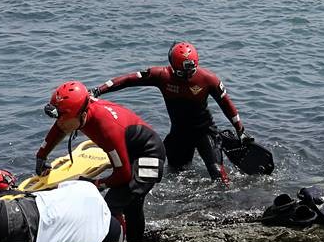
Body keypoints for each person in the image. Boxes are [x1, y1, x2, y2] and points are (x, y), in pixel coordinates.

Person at [92, 42, 247, 184]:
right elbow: (128, 80)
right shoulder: (161, 76)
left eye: (191, 72)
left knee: (218, 176)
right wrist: (98, 90)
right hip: (179, 135)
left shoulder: (208, 79)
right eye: (182, 74)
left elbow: (226, 104)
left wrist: (240, 130)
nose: (187, 77)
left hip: (205, 133)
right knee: (175, 176)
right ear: (172, 66)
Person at [35, 81, 165, 242]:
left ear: (82, 114)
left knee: (111, 205)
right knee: (131, 204)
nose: (59, 122)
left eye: (63, 118)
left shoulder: (106, 129)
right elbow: (59, 129)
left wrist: (95, 183)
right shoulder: (78, 113)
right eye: (58, 118)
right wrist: (41, 156)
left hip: (150, 155)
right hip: (130, 151)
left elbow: (123, 175)